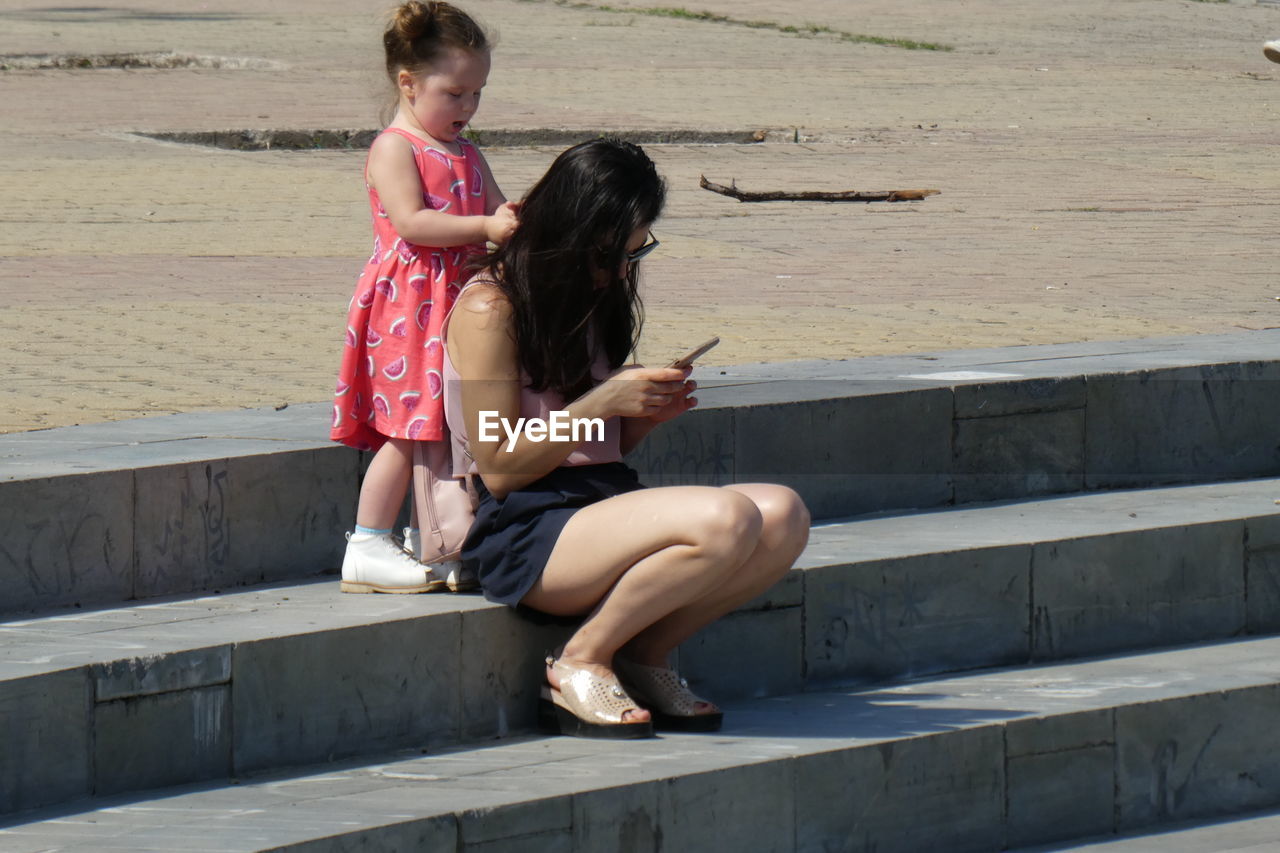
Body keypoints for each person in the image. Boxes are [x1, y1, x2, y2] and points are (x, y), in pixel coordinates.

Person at [443, 139, 811, 738]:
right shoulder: (491, 307)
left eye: (635, 254)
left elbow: (598, 451)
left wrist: (638, 419)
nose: (619, 272)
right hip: (527, 529)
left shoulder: (592, 295)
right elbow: (501, 466)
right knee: (726, 519)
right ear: (569, 232)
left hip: (598, 504)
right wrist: (604, 402)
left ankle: (644, 656)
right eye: (611, 254)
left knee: (784, 515)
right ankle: (580, 659)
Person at [331, 1, 518, 594]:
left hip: (457, 303)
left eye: (477, 94)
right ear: (408, 83)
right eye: (455, 93)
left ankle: (430, 535)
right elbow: (413, 223)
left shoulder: (467, 153)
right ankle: (366, 541)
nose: (467, 108)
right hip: (410, 307)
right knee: (408, 427)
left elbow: (496, 209)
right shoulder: (396, 148)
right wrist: (485, 230)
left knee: (449, 422)